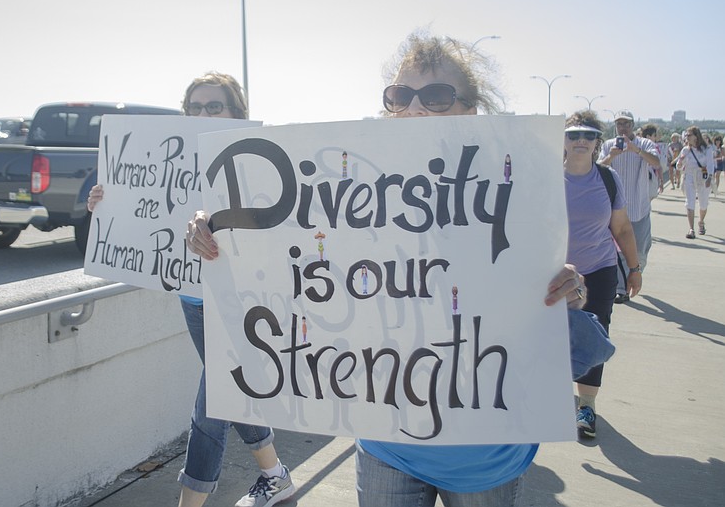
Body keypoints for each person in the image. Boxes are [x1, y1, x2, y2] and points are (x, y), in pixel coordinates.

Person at [186, 33, 609, 507]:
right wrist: (218, 228)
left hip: (484, 451)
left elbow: (555, 320)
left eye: (436, 96)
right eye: (399, 96)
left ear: (470, 110)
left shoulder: (512, 193)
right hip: (388, 444)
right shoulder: (354, 189)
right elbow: (286, 245)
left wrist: (567, 294)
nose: (414, 108)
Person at [87, 72, 295, 507]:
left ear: (237, 113)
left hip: (238, 300)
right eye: (195, 107)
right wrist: (107, 202)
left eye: (213, 107)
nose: (202, 114)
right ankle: (275, 475)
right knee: (230, 390)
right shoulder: (172, 154)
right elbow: (142, 209)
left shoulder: (254, 158)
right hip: (193, 297)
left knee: (214, 404)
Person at [564, 110, 641, 439]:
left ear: (598, 141)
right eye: (573, 133)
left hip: (599, 270)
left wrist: (635, 269)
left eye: (589, 134)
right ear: (563, 140)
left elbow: (621, 228)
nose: (581, 139)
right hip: (554, 275)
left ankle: (586, 405)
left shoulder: (608, 179)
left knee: (594, 336)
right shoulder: (544, 177)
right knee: (545, 337)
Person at [598, 110, 661, 304]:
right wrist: (611, 157)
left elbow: (658, 163)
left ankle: (635, 273)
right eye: (619, 124)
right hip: (615, 210)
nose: (622, 127)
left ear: (633, 126)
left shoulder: (644, 144)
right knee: (617, 252)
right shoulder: (609, 145)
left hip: (639, 209)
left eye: (626, 124)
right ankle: (622, 288)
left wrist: (637, 151)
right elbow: (597, 167)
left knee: (640, 251)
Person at [674, 126, 715, 238]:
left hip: (703, 176)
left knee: (703, 203)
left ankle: (701, 221)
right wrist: (680, 161)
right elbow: (678, 167)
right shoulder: (685, 150)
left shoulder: (707, 149)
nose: (687, 137)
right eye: (686, 135)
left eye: (689, 135)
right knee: (690, 201)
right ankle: (691, 229)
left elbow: (710, 164)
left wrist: (710, 178)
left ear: (696, 136)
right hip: (689, 175)